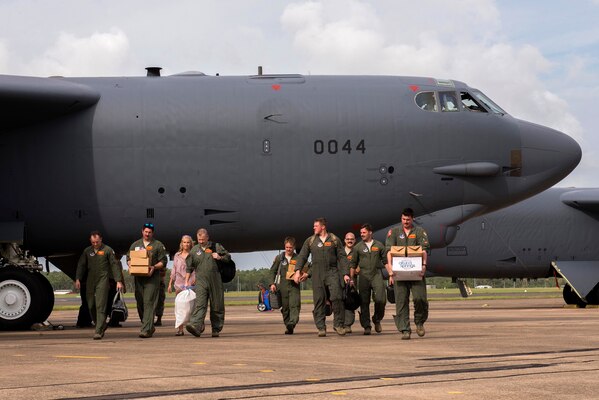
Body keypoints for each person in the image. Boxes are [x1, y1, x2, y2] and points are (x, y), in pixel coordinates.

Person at [294, 217, 348, 337]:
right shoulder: (311, 240)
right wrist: (297, 271)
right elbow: (302, 256)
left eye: (316, 226)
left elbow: (342, 257)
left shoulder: (334, 239)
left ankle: (338, 325)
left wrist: (345, 274)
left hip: (332, 272)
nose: (314, 228)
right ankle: (321, 327)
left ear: (323, 227)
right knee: (319, 301)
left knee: (337, 297)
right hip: (317, 274)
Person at [385, 208, 430, 340]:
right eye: (404, 219)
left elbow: (424, 250)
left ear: (412, 219)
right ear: (401, 218)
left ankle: (419, 322)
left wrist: (424, 266)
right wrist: (390, 272)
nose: (405, 222)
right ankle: (405, 329)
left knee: (420, 299)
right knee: (401, 302)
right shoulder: (394, 232)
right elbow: (389, 251)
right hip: (399, 273)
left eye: (408, 219)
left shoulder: (419, 231)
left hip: (416, 272)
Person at [75, 231, 124, 340]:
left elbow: (114, 265)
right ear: (90, 241)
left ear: (101, 239)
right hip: (90, 280)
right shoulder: (87, 251)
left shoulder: (107, 250)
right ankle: (100, 324)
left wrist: (118, 281)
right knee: (90, 304)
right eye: (93, 242)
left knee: (100, 305)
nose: (95, 244)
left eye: (97, 242)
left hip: (103, 279)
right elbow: (81, 265)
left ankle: (98, 331)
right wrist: (78, 278)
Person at [185, 228, 231, 338]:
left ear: (207, 237)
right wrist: (186, 280)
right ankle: (195, 326)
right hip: (201, 280)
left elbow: (228, 257)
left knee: (217, 305)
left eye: (202, 239)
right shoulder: (194, 250)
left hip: (215, 280)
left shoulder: (216, 246)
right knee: (200, 304)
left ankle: (216, 329)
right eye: (199, 239)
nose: (201, 241)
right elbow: (189, 267)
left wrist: (219, 257)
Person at [127, 223, 168, 338]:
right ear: (142, 231)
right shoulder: (135, 245)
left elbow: (163, 261)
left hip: (152, 278)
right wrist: (131, 265)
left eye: (149, 232)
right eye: (146, 232)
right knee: (140, 303)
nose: (147, 234)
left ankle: (145, 330)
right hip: (138, 278)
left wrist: (154, 267)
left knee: (149, 302)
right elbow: (128, 258)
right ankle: (149, 326)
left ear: (152, 233)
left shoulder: (158, 245)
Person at [349, 224, 388, 335]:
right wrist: (351, 279)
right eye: (361, 233)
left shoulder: (379, 245)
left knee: (381, 299)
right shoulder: (358, 247)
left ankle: (377, 319)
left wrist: (391, 274)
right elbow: (352, 264)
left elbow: (386, 262)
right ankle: (366, 326)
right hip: (363, 276)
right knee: (364, 302)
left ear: (370, 232)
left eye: (364, 232)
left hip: (376, 275)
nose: (362, 235)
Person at [269, 237, 301, 334]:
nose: (288, 249)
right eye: (287, 247)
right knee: (285, 308)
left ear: (294, 247)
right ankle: (288, 326)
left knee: (294, 306)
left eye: (290, 247)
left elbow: (308, 268)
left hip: (294, 287)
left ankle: (292, 322)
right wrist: (272, 284)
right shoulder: (280, 258)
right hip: (282, 287)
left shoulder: (298, 258)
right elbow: (272, 271)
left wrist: (304, 275)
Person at [168, 235, 196, 336]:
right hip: (179, 283)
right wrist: (170, 283)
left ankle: (194, 326)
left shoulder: (194, 255)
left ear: (191, 244)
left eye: (188, 242)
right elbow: (174, 269)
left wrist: (194, 281)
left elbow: (197, 269)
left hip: (191, 282)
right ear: (181, 243)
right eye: (184, 242)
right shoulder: (177, 255)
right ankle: (180, 329)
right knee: (179, 307)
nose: (186, 244)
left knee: (191, 307)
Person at [339, 232, 357, 333]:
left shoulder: (357, 251)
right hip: (340, 279)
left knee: (350, 301)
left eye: (352, 239)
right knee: (340, 301)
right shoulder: (340, 251)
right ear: (344, 240)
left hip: (353, 280)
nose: (350, 241)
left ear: (354, 240)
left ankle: (348, 324)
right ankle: (340, 323)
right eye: (348, 239)